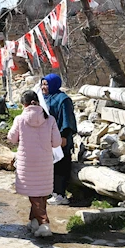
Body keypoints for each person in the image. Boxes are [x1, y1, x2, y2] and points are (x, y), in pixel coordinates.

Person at [7, 90, 61, 238]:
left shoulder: (20, 119)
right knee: (41, 193)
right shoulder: (50, 119)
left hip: (27, 162)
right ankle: (34, 221)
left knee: (34, 194)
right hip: (45, 162)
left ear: (24, 104)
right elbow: (56, 142)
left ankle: (44, 224)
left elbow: (11, 138)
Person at [42, 73, 77, 205]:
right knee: (50, 166)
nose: (43, 87)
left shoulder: (63, 100)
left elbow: (67, 120)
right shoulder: (45, 98)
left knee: (61, 165)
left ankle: (60, 194)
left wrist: (63, 136)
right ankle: (52, 191)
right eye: (43, 84)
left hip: (61, 138)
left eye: (46, 84)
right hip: (48, 138)